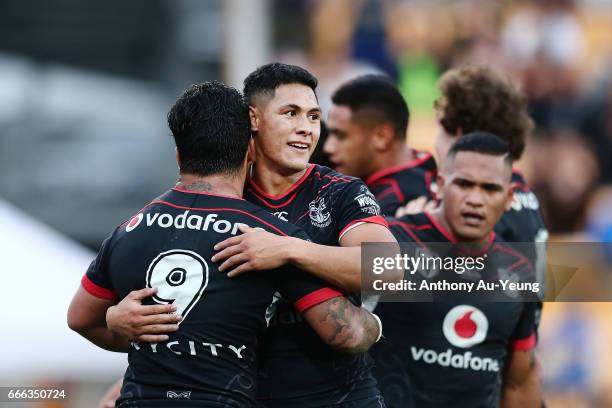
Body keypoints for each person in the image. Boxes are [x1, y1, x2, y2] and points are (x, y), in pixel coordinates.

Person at [67, 81, 383, 408]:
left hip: (334, 396)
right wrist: (117, 322)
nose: (308, 131)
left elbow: (398, 272)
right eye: (290, 114)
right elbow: (190, 323)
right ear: (252, 137)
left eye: (315, 117)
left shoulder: (343, 191)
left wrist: (293, 250)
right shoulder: (258, 222)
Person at [372, 133, 542, 407]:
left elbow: (519, 381)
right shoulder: (393, 241)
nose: (475, 199)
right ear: (440, 185)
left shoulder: (520, 270)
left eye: (490, 189)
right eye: (464, 184)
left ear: (509, 197)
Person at [323, 74, 437, 216]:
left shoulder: (391, 211)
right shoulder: (431, 169)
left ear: (382, 137)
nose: (328, 147)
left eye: (340, 136)